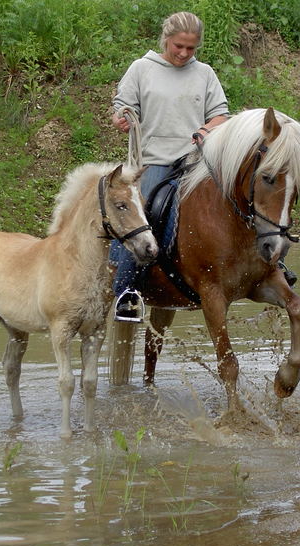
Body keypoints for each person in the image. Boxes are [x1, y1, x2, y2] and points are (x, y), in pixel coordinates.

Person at [110, 11, 229, 322]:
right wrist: (122, 118)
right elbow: (122, 107)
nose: (184, 54)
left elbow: (220, 115)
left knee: (237, 198)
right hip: (154, 161)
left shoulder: (204, 73)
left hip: (195, 161)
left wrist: (206, 130)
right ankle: (126, 293)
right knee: (142, 219)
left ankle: (267, 263)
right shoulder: (141, 69)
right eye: (179, 46)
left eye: (191, 48)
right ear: (166, 40)